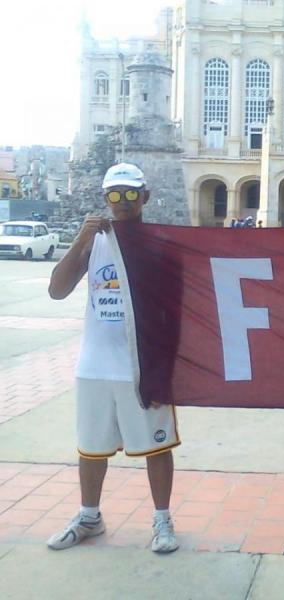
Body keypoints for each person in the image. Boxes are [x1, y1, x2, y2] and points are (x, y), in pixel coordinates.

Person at [47, 163, 180, 554]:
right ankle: (89, 516)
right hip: (94, 365)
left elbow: (175, 315)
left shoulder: (162, 244)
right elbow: (57, 290)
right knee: (91, 447)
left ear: (145, 197)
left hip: (141, 367)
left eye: (130, 194)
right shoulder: (94, 242)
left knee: (156, 447)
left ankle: (162, 520)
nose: (122, 202)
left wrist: (163, 373)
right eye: (115, 195)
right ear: (105, 198)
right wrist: (80, 240)